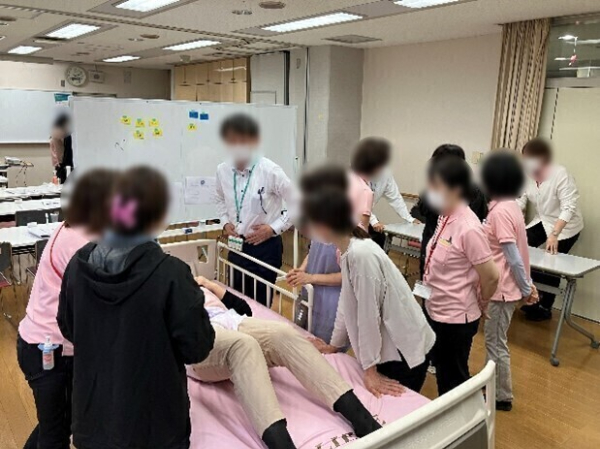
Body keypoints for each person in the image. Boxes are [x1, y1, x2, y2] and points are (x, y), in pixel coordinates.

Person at [57, 166, 215, 449]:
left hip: (93, 419)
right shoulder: (171, 275)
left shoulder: (78, 266)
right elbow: (197, 348)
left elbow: (68, 327)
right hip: (154, 426)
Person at [191, 276, 381, 449]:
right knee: (244, 346)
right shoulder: (172, 291)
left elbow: (245, 310)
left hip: (234, 322)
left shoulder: (199, 285)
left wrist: (209, 285)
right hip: (199, 336)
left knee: (284, 333)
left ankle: (364, 421)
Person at [17, 168, 118, 449]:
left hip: (43, 343)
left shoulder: (74, 226)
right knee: (56, 434)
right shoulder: (80, 243)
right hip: (50, 350)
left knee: (57, 423)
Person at [304, 188, 435, 394]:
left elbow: (368, 315)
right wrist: (334, 345)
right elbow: (346, 303)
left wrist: (370, 369)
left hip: (403, 347)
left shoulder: (361, 255)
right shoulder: (347, 250)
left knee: (397, 406)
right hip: (388, 343)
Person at [420, 156, 499, 396]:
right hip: (435, 307)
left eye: (436, 186)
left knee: (452, 380)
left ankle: (463, 416)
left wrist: (482, 301)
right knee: (442, 371)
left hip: (455, 318)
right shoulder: (445, 216)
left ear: (455, 189)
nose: (430, 192)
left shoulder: (469, 227)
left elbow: (491, 276)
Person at [215, 113, 296, 303]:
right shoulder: (223, 170)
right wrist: (225, 222)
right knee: (236, 300)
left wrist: (273, 228)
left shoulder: (270, 171)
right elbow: (219, 198)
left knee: (260, 303)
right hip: (237, 246)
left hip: (265, 247)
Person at [481, 151, 539, 412]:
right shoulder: (509, 206)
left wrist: (527, 288)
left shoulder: (501, 211)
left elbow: (514, 257)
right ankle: (491, 386)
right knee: (494, 340)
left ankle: (501, 396)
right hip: (504, 286)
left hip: (502, 289)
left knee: (495, 343)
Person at [517, 138, 584, 321]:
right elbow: (519, 201)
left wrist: (555, 234)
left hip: (566, 226)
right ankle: (531, 295)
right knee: (519, 248)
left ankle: (544, 306)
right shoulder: (526, 175)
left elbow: (569, 207)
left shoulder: (560, 174)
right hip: (543, 220)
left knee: (550, 264)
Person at [411, 144, 488, 278]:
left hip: (457, 255)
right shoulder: (433, 188)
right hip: (431, 246)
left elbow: (478, 222)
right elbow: (418, 210)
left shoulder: (474, 193)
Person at [352, 138, 420, 248]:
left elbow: (395, 198)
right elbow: (359, 203)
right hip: (349, 213)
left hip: (366, 213)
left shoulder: (385, 173)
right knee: (356, 242)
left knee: (379, 238)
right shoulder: (357, 173)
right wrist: (374, 222)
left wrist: (409, 218)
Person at [50, 113, 74, 184]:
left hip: (58, 164)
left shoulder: (54, 131)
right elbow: (68, 151)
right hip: (63, 164)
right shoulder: (63, 133)